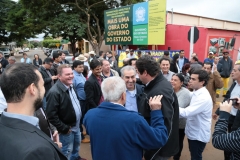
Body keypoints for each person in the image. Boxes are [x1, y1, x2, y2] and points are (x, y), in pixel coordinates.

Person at [83, 76, 168, 160]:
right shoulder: (134, 120)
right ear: (123, 95)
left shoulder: (90, 115)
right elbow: (159, 138)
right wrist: (156, 112)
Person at [0, 63, 66, 160]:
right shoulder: (38, 151)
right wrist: (50, 151)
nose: (44, 90)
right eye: (42, 85)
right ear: (32, 89)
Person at [136, 55, 179, 160]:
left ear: (145, 72)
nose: (137, 75)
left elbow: (166, 127)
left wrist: (150, 155)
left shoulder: (159, 93)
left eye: (138, 72)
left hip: (158, 151)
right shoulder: (156, 85)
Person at [46, 64, 86, 160]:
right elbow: (51, 115)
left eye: (71, 73)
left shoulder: (71, 85)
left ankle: (75, 158)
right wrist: (64, 128)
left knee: (76, 147)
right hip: (67, 130)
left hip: (76, 126)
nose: (71, 76)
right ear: (59, 76)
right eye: (67, 74)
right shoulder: (54, 92)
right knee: (66, 151)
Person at [179, 69, 212, 160]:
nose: (190, 81)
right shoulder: (196, 92)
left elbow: (186, 112)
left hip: (198, 135)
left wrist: (171, 106)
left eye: (193, 79)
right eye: (190, 78)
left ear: (202, 82)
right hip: (194, 131)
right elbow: (190, 94)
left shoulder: (203, 97)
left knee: (196, 157)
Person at [213, 62, 240, 160]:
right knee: (227, 141)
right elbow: (227, 98)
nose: (232, 72)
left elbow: (217, 141)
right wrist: (218, 111)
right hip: (230, 117)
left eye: (234, 70)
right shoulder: (234, 84)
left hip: (237, 119)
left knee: (231, 141)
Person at [171, 74, 191, 160]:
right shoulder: (170, 90)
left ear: (181, 82)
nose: (172, 81)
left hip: (180, 123)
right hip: (170, 122)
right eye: (172, 79)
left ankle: (177, 157)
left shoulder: (185, 93)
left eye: (175, 80)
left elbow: (178, 107)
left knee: (178, 141)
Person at [72, 60, 90, 143]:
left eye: (82, 66)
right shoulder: (73, 76)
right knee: (79, 118)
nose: (82, 68)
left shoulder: (81, 74)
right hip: (79, 100)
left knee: (83, 116)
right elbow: (73, 89)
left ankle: (83, 131)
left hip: (84, 99)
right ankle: (81, 137)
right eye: (79, 67)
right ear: (75, 67)